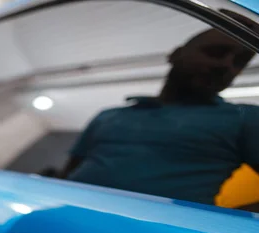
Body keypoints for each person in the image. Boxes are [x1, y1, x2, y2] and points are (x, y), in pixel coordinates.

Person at [60, 27, 259, 206]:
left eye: (239, 62)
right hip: (61, 219)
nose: (226, 65)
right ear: (175, 54)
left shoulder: (244, 118)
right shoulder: (108, 115)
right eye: (216, 52)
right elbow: (67, 173)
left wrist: (228, 225)